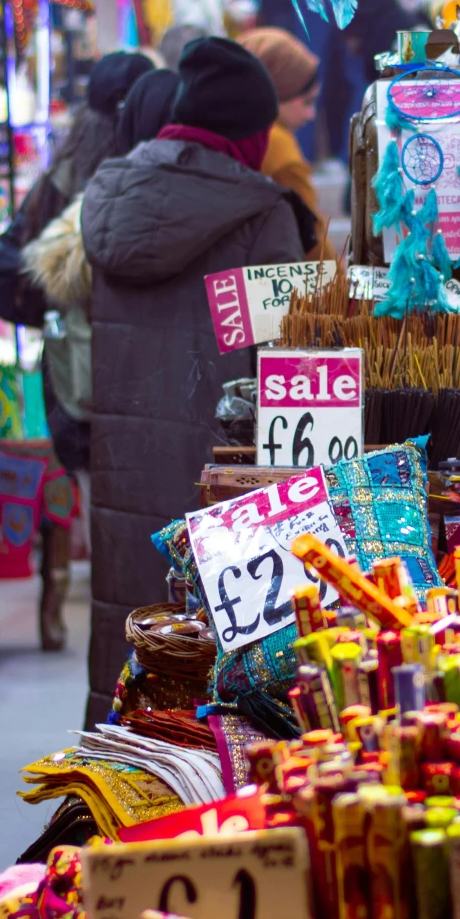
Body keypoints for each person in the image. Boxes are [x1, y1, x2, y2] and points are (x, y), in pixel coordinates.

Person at [77, 38, 313, 725]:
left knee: (128, 623)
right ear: (248, 131)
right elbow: (283, 357)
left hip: (121, 460)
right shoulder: (262, 210)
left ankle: (117, 774)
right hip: (221, 464)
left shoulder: (110, 193)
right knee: (205, 642)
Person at [0, 50, 153, 651]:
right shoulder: (136, 174)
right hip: (126, 370)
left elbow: (10, 267)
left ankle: (118, 625)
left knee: (101, 506)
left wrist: (54, 296)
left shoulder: (63, 172)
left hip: (76, 376)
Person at [239, 26, 331, 256]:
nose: (311, 115)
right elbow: (310, 233)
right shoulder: (277, 144)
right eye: (307, 102)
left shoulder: (232, 129)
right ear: (279, 92)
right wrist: (340, 288)